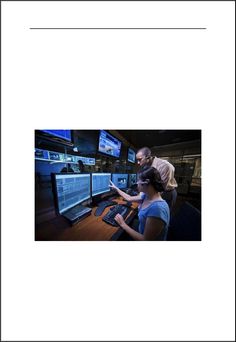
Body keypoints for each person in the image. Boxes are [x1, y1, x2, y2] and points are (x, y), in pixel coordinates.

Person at [109, 166, 170, 241]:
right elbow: (129, 198)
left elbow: (145, 240)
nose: (136, 183)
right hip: (141, 230)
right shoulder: (147, 195)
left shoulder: (157, 209)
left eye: (138, 180)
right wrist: (116, 189)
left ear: (146, 182)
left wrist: (123, 224)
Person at [136, 147, 178, 212]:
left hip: (167, 192)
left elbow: (160, 189)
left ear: (148, 157)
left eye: (140, 159)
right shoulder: (147, 165)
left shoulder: (165, 166)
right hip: (155, 192)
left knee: (161, 214)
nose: (138, 163)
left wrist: (144, 200)